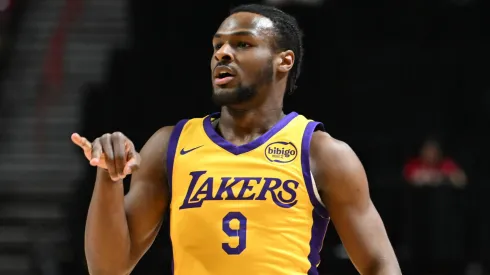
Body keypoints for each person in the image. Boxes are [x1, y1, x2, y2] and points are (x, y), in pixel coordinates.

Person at [72, 4, 400, 275]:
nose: (223, 53)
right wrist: (108, 176)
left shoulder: (322, 153)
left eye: (242, 44)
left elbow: (380, 263)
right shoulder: (168, 145)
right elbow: (108, 269)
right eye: (217, 46)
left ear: (284, 61)